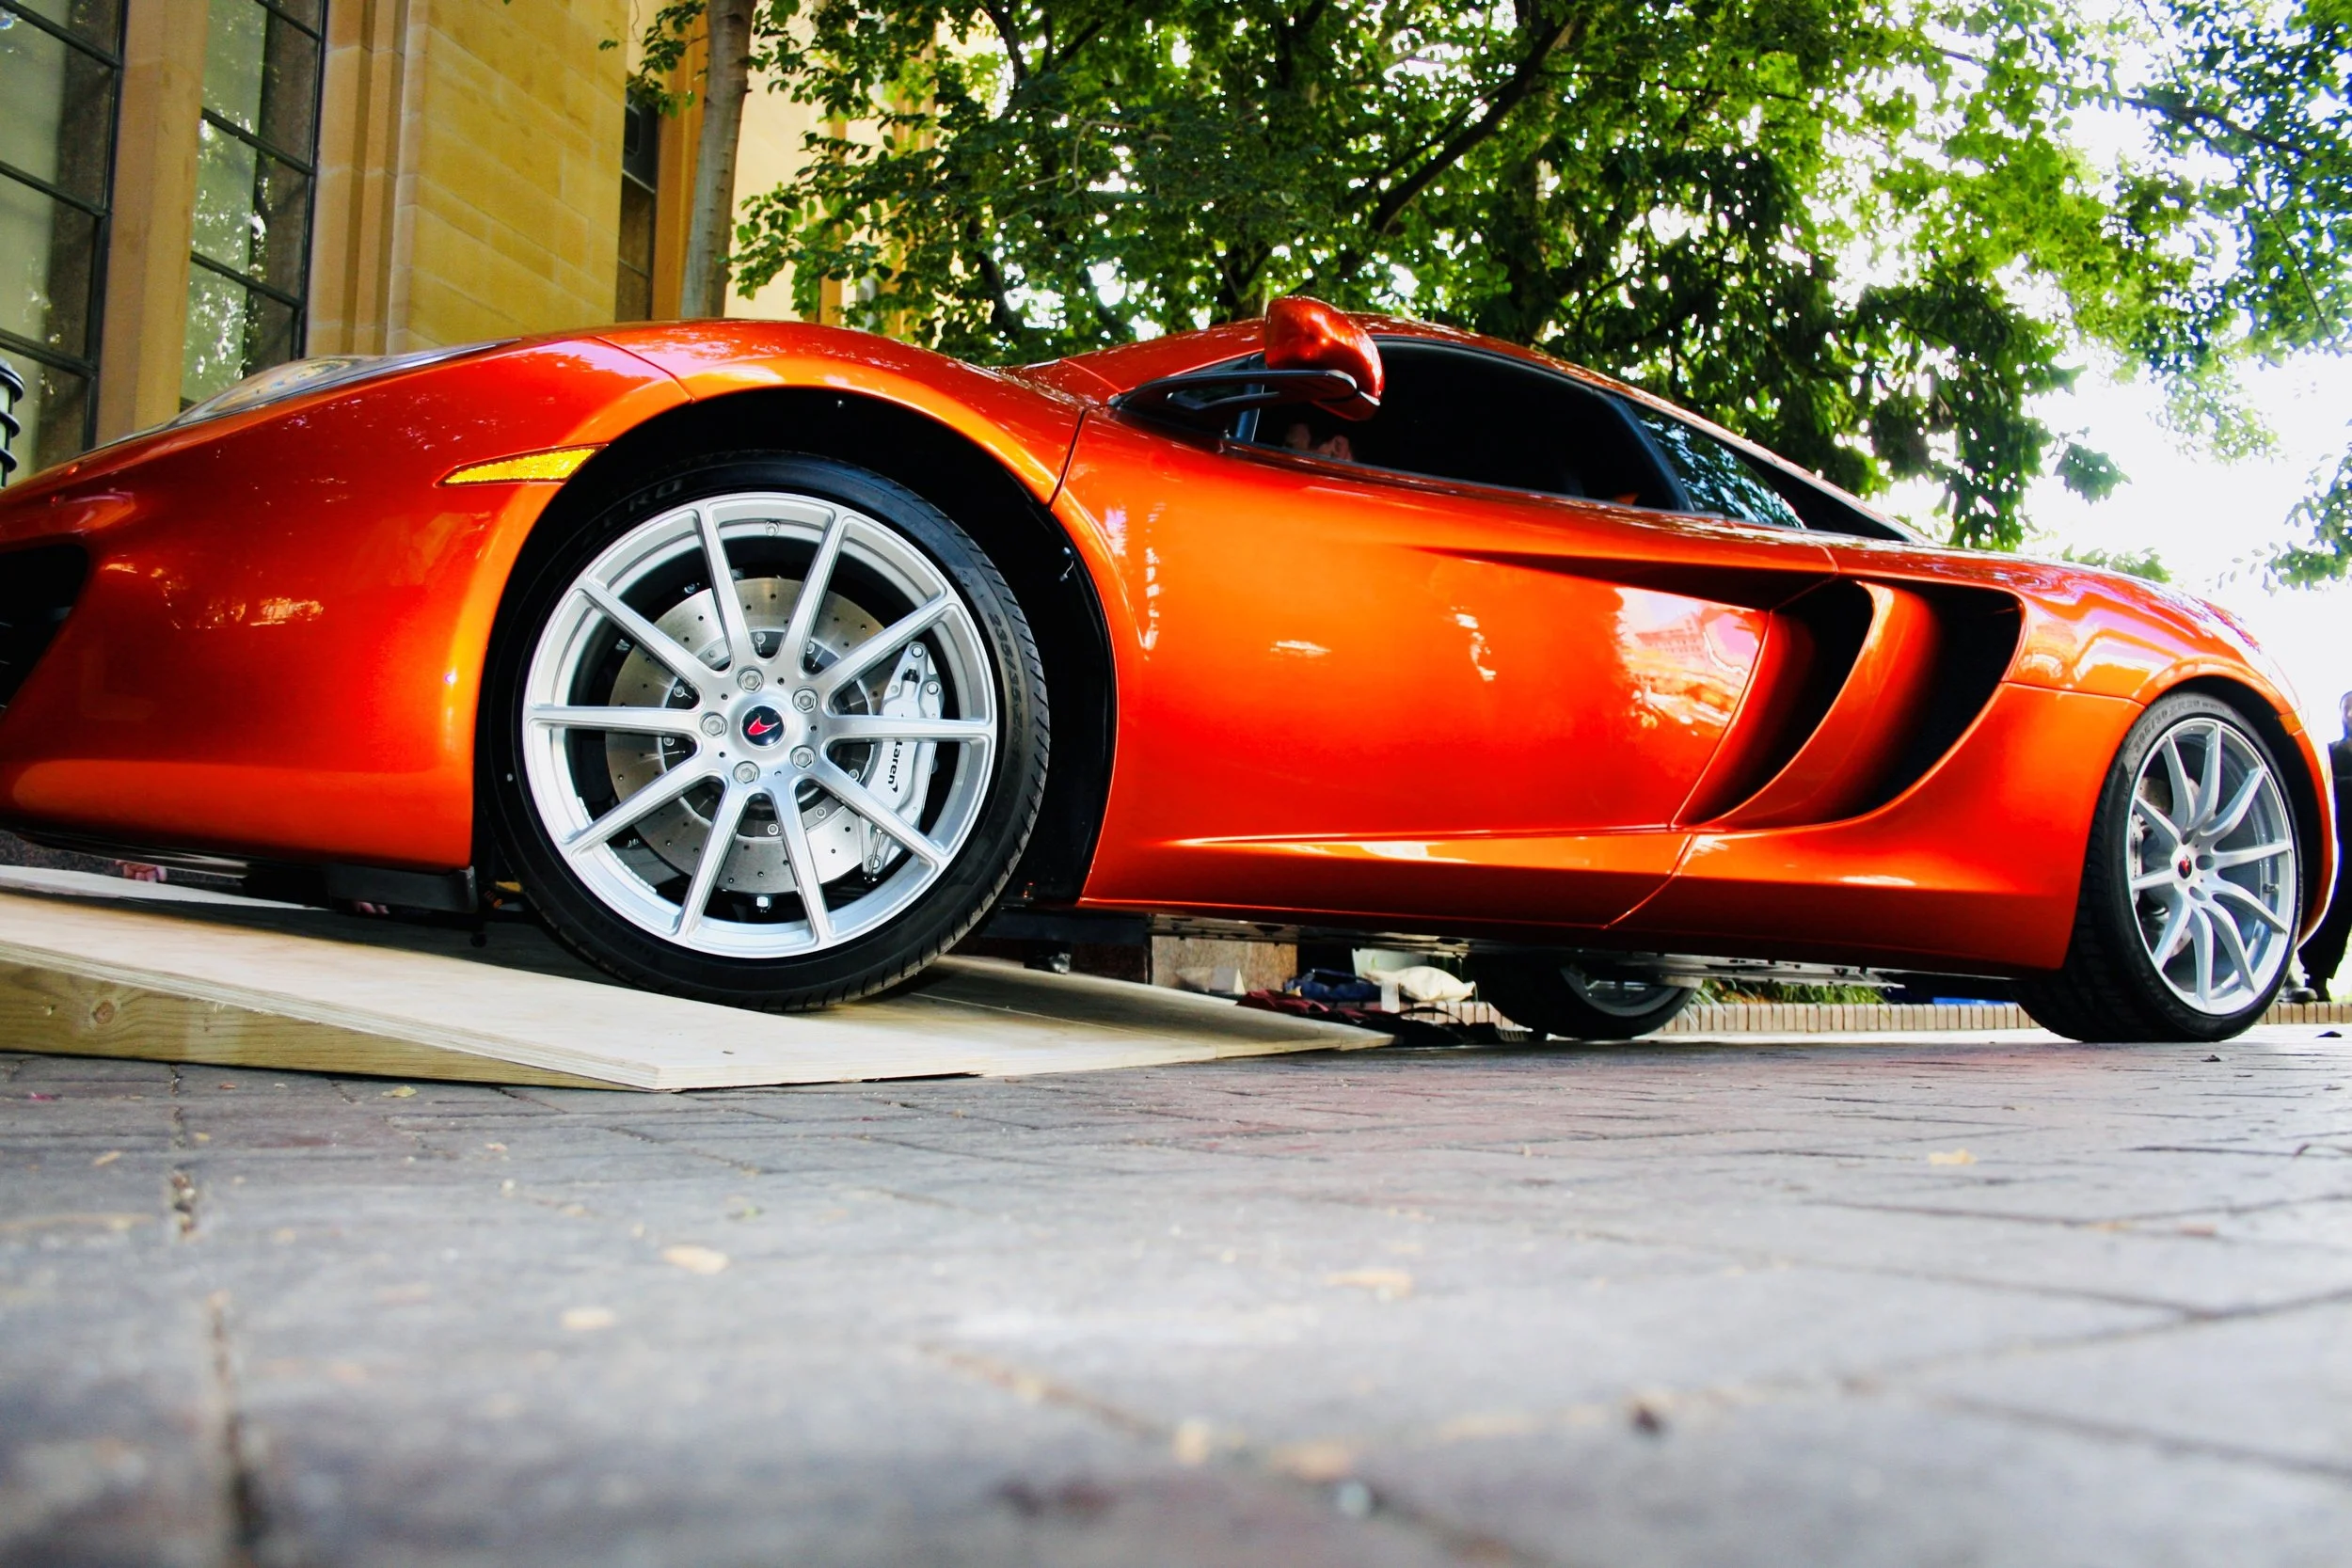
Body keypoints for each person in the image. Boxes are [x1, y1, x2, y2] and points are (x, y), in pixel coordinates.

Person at [2296, 690, 2352, 999]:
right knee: (2333, 915)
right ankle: (2316, 979)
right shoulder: (2331, 755)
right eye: (2348, 710)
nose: (2351, 715)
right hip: (2341, 852)